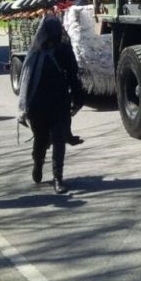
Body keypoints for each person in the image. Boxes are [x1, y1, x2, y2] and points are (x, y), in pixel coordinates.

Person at [17, 15, 85, 193]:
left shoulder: (64, 51)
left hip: (59, 103)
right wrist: (24, 108)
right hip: (38, 106)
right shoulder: (35, 53)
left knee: (59, 140)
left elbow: (73, 76)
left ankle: (58, 178)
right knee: (40, 141)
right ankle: (38, 164)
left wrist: (78, 98)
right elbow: (26, 81)